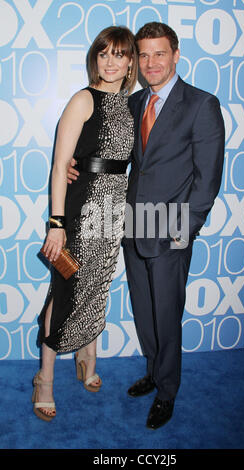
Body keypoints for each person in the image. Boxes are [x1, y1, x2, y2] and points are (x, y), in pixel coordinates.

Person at [68, 22, 225, 429]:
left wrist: (184, 228)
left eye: (159, 53)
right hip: (132, 224)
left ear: (175, 55)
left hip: (170, 228)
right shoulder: (134, 103)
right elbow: (113, 151)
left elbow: (208, 179)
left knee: (167, 312)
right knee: (144, 310)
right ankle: (154, 373)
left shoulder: (201, 104)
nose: (151, 62)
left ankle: (168, 390)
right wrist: (76, 165)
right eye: (144, 54)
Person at [32, 26, 138, 422]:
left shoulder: (132, 104)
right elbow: (61, 166)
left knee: (97, 283)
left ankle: (86, 356)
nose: (110, 62)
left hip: (114, 211)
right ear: (95, 58)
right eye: (103, 54)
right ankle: (44, 378)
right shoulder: (82, 99)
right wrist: (56, 223)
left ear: (130, 62)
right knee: (65, 286)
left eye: (119, 55)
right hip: (79, 211)